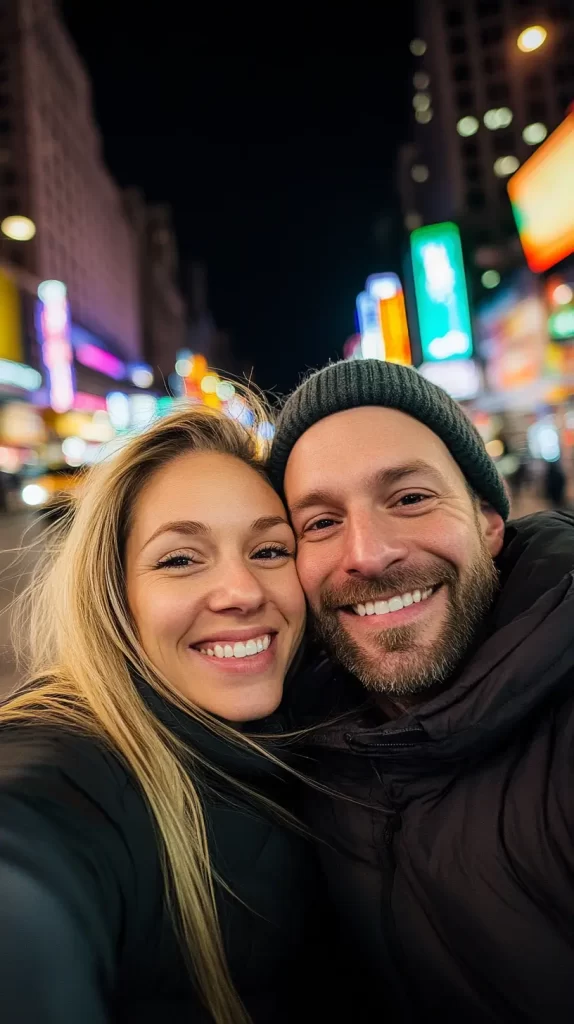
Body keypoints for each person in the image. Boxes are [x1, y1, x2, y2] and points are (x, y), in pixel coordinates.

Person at [0, 403, 342, 1024]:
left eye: (269, 550)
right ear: (114, 593)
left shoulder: (335, 723)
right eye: (180, 559)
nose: (242, 592)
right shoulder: (75, 762)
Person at [269, 358, 574, 1023]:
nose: (369, 554)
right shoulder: (290, 738)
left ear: (490, 522)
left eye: (409, 498)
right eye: (319, 523)